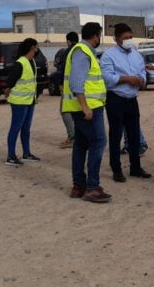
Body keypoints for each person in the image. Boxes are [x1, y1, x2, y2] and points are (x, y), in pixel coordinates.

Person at [62, 22, 111, 203]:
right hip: (87, 108)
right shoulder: (83, 52)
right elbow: (76, 83)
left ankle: (79, 186)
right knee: (99, 141)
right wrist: (85, 107)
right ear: (96, 35)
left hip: (85, 106)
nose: (100, 39)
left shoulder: (83, 51)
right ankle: (92, 186)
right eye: (100, 35)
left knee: (81, 144)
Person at [100, 22, 152, 182]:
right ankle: (116, 170)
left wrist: (141, 81)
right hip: (116, 99)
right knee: (116, 135)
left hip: (132, 100)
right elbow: (107, 78)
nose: (128, 40)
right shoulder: (108, 56)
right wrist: (126, 79)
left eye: (130, 37)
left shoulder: (136, 55)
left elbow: (142, 72)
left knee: (134, 134)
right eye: (125, 38)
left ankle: (135, 168)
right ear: (116, 39)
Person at [3, 38, 41, 166]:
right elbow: (10, 82)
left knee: (26, 128)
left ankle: (26, 153)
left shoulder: (32, 62)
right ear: (32, 47)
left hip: (29, 100)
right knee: (16, 128)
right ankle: (11, 156)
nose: (37, 49)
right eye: (36, 47)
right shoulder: (20, 63)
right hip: (19, 102)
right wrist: (7, 91)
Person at [54, 31, 79, 148]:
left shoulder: (68, 51)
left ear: (68, 41)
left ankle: (72, 136)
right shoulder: (82, 49)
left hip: (69, 87)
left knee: (64, 110)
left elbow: (63, 69)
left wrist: (60, 83)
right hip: (82, 87)